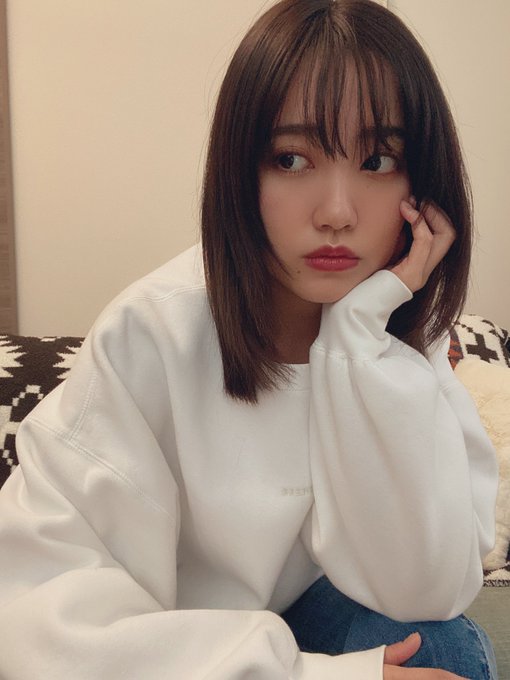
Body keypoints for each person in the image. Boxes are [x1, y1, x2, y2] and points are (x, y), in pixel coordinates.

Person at [0, 0, 499, 678]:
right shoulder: (152, 332)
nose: (336, 212)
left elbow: (429, 590)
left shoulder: (401, 336)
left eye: (379, 159)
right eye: (291, 159)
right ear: (240, 172)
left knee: (440, 646)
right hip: (180, 648)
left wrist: (358, 340)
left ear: (424, 182)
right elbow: (39, 616)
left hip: (324, 620)